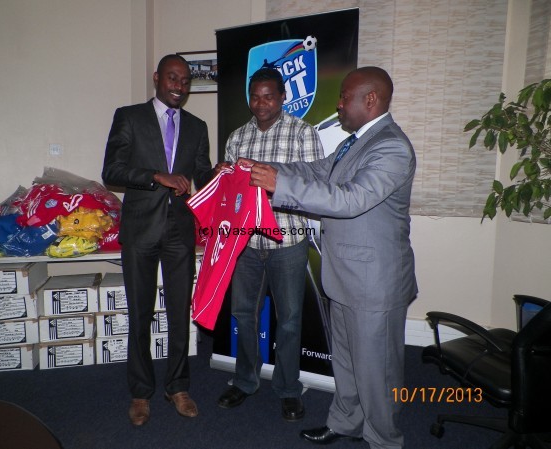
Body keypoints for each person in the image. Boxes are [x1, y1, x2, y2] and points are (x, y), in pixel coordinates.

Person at [240, 66, 418, 448]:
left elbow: (351, 199)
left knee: (377, 370)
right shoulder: (354, 142)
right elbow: (318, 170)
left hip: (374, 282)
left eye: (344, 97)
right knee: (349, 361)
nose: (338, 104)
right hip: (345, 274)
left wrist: (279, 185)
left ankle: (383, 439)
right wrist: (263, 171)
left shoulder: (391, 146)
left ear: (370, 99)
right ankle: (346, 421)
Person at [102, 54, 215, 426]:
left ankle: (178, 386)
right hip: (140, 229)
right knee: (140, 312)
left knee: (180, 311)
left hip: (180, 230)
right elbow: (112, 171)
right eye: (172, 78)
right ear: (157, 78)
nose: (179, 86)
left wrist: (224, 175)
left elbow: (202, 175)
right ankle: (140, 392)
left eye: (185, 81)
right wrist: (157, 176)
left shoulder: (198, 127)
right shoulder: (129, 117)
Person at [216, 68, 324, 422]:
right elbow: (231, 196)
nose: (261, 103)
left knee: (289, 321)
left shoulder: (303, 133)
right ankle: (245, 380)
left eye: (269, 96)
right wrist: (222, 178)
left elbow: (314, 186)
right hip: (244, 244)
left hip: (288, 241)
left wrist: (271, 176)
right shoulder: (237, 138)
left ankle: (288, 389)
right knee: (243, 315)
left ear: (283, 97)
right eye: (255, 96)